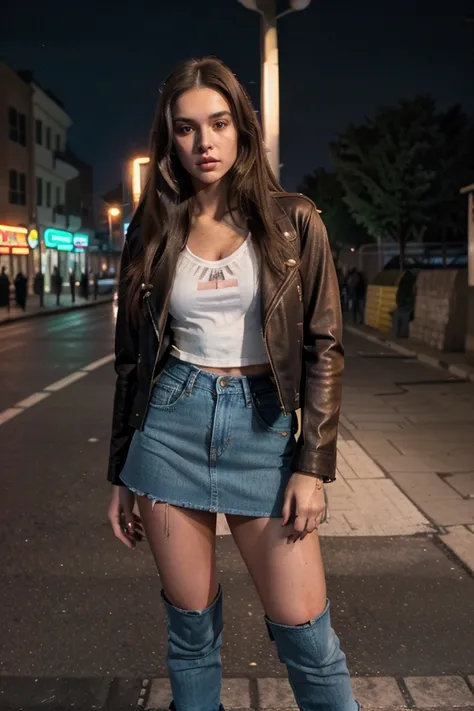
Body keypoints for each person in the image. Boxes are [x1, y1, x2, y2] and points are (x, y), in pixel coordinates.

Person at [107, 57, 359, 711]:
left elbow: (324, 347)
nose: (204, 142)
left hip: (265, 428)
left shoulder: (294, 219)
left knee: (309, 638)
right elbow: (132, 360)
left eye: (217, 123)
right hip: (169, 428)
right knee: (190, 637)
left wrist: (313, 464)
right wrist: (119, 471)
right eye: (186, 129)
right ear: (171, 139)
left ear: (241, 128)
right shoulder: (154, 229)